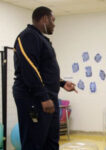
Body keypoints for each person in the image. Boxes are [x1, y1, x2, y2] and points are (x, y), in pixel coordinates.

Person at [13, 6, 77, 150]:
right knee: (34, 143)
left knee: (51, 141)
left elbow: (45, 69)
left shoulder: (41, 39)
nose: (54, 24)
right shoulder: (28, 36)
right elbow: (29, 68)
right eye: (53, 20)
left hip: (48, 96)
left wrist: (62, 82)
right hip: (34, 98)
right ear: (44, 19)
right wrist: (43, 97)